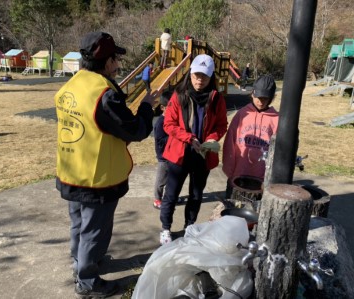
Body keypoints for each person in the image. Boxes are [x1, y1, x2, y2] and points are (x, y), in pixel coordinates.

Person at [54, 31, 155, 298]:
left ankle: (81, 263)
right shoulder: (103, 94)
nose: (118, 64)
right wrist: (147, 107)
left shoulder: (73, 84)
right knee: (94, 231)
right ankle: (87, 280)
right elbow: (134, 130)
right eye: (116, 59)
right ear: (107, 61)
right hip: (97, 179)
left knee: (78, 225)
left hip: (70, 170)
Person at [159, 54, 228, 245]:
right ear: (190, 74)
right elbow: (169, 124)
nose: (199, 79)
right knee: (171, 194)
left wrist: (212, 138)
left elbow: (222, 125)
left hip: (202, 155)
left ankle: (190, 226)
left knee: (196, 195)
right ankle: (165, 228)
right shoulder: (178, 95)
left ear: (211, 76)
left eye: (204, 76)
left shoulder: (216, 99)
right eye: (196, 74)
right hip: (179, 154)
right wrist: (189, 138)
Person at [222, 75, 279, 198]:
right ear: (252, 94)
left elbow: (279, 151)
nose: (260, 101)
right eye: (258, 97)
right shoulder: (242, 114)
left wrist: (271, 177)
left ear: (271, 98)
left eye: (265, 98)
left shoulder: (276, 119)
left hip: (262, 180)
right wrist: (229, 170)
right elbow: (229, 143)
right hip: (238, 175)